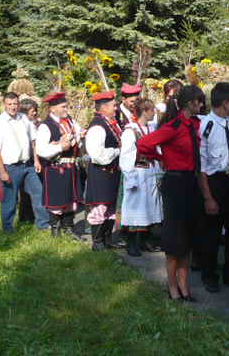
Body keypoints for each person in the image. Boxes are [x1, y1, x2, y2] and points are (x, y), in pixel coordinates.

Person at [137, 85, 206, 302]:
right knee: (175, 237)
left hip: (191, 182)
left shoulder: (194, 124)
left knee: (187, 236)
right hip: (175, 183)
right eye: (199, 101)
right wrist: (161, 158)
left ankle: (184, 286)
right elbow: (144, 143)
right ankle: (172, 286)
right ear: (189, 103)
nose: (201, 105)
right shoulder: (173, 126)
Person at [198, 82, 229, 292]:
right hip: (215, 182)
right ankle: (209, 275)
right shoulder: (205, 126)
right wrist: (208, 197)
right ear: (225, 102)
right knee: (212, 233)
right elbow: (201, 167)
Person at [0, 92, 49, 233]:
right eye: (9, 104)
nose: (13, 107)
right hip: (10, 167)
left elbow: (33, 140)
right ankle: (8, 228)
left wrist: (36, 160)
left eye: (15, 104)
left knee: (38, 192)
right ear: (4, 105)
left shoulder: (24, 119)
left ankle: (43, 224)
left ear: (18, 104)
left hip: (28, 165)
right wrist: (2, 172)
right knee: (10, 199)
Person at [36, 92, 86, 241]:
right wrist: (59, 147)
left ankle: (68, 228)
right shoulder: (45, 126)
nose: (66, 109)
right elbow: (41, 150)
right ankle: (55, 230)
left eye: (66, 106)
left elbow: (78, 140)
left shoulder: (70, 121)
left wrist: (80, 136)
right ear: (53, 108)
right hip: (56, 168)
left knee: (71, 199)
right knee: (57, 201)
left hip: (71, 167)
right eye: (63, 106)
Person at [119, 98, 163, 257]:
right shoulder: (130, 131)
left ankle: (144, 241)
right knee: (135, 208)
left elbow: (157, 150)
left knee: (148, 208)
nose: (154, 113)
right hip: (137, 173)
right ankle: (131, 243)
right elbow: (126, 157)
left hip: (150, 173)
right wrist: (130, 178)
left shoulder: (151, 129)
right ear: (144, 112)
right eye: (151, 110)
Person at [84, 90, 123, 251]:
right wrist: (118, 151)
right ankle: (97, 242)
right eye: (113, 106)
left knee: (110, 207)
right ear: (104, 107)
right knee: (100, 207)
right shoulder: (97, 127)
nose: (116, 108)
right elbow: (97, 155)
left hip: (112, 173)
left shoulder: (111, 123)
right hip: (101, 173)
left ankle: (107, 239)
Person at [17, 98, 40, 224]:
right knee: (27, 191)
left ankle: (28, 217)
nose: (35, 113)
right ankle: (26, 217)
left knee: (30, 191)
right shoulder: (24, 125)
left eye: (35, 110)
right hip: (28, 160)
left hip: (34, 160)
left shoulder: (36, 124)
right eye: (32, 111)